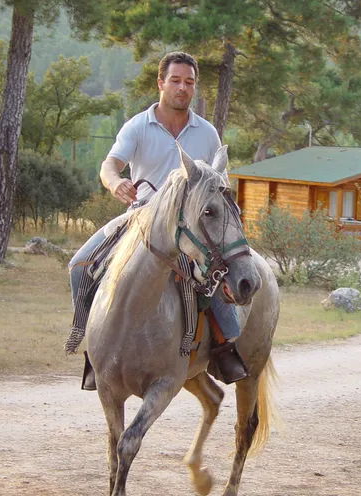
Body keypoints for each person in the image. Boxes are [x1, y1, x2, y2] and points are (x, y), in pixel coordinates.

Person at [67, 52, 248, 389]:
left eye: (189, 82)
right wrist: (115, 182)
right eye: (176, 80)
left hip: (189, 229)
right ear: (161, 83)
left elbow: (217, 184)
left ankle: (224, 347)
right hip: (139, 219)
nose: (183, 88)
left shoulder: (207, 134)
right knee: (79, 266)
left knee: (216, 274)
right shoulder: (138, 125)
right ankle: (93, 346)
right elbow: (110, 165)